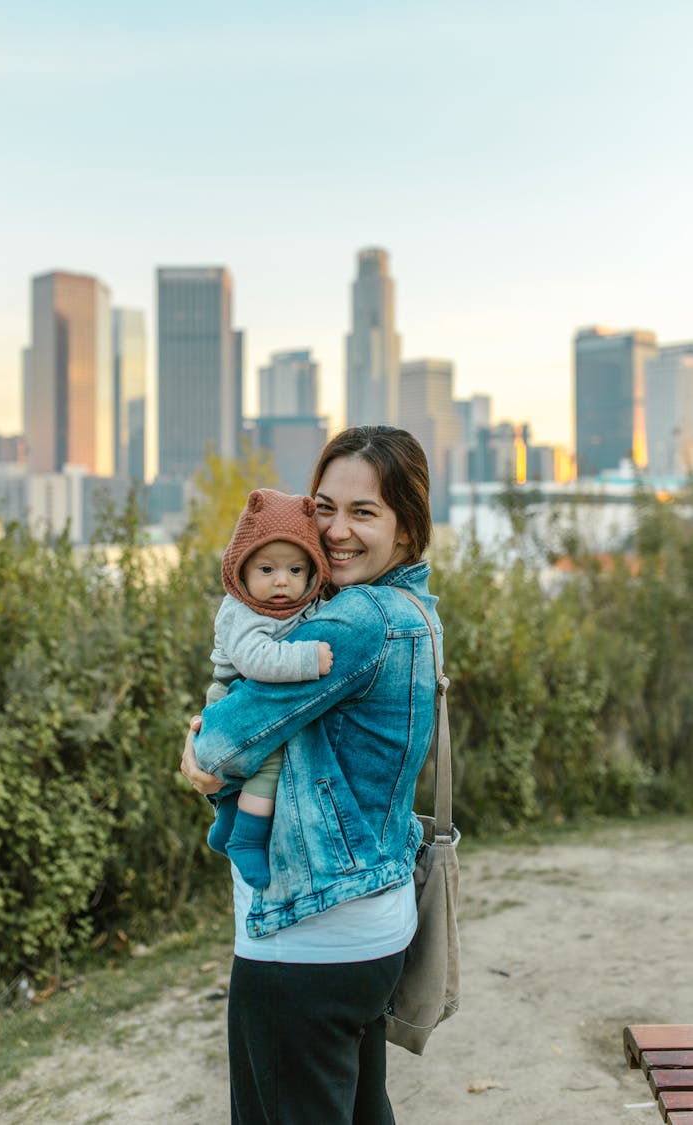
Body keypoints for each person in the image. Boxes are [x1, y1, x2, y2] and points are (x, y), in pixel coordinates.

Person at [181, 425, 442, 1125]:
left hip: (306, 934)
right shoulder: (415, 611)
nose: (335, 531)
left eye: (365, 513)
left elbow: (219, 749)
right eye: (324, 506)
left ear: (408, 529)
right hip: (371, 924)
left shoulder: (355, 621)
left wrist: (196, 743)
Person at [205, 487, 333, 888]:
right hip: (232, 694)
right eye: (267, 570)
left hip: (254, 697)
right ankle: (247, 838)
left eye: (296, 571)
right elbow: (256, 660)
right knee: (270, 763)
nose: (283, 582)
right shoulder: (239, 612)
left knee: (249, 773)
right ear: (241, 570)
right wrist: (307, 659)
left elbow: (319, 615)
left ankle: (227, 827)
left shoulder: (300, 605)